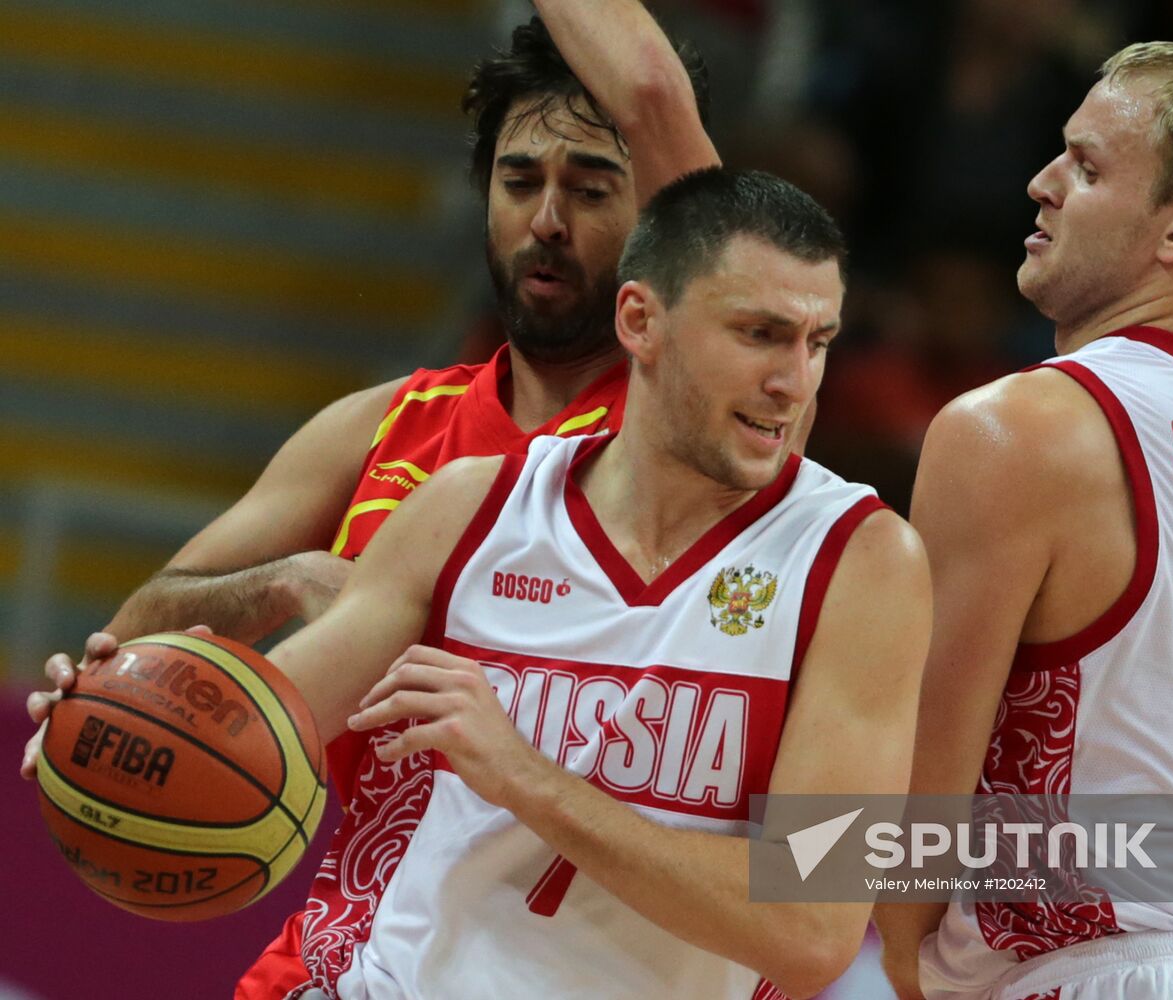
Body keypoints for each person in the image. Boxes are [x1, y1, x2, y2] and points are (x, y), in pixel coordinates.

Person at [221, 169, 928, 998]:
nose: (795, 381)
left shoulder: (860, 560)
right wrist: (137, 699)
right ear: (640, 320)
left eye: (817, 341)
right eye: (759, 334)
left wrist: (527, 779)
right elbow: (256, 730)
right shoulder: (474, 506)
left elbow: (811, 929)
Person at [20, 3, 717, 794]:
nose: (547, 220)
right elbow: (141, 624)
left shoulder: (695, 412)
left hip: (603, 890)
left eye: (591, 191)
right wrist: (285, 582)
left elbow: (653, 91)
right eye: (519, 182)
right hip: (376, 902)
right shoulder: (381, 424)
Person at [875, 39, 1173, 999]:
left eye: (1085, 167)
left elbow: (917, 805)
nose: (1039, 183)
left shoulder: (1014, 430)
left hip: (1078, 970)